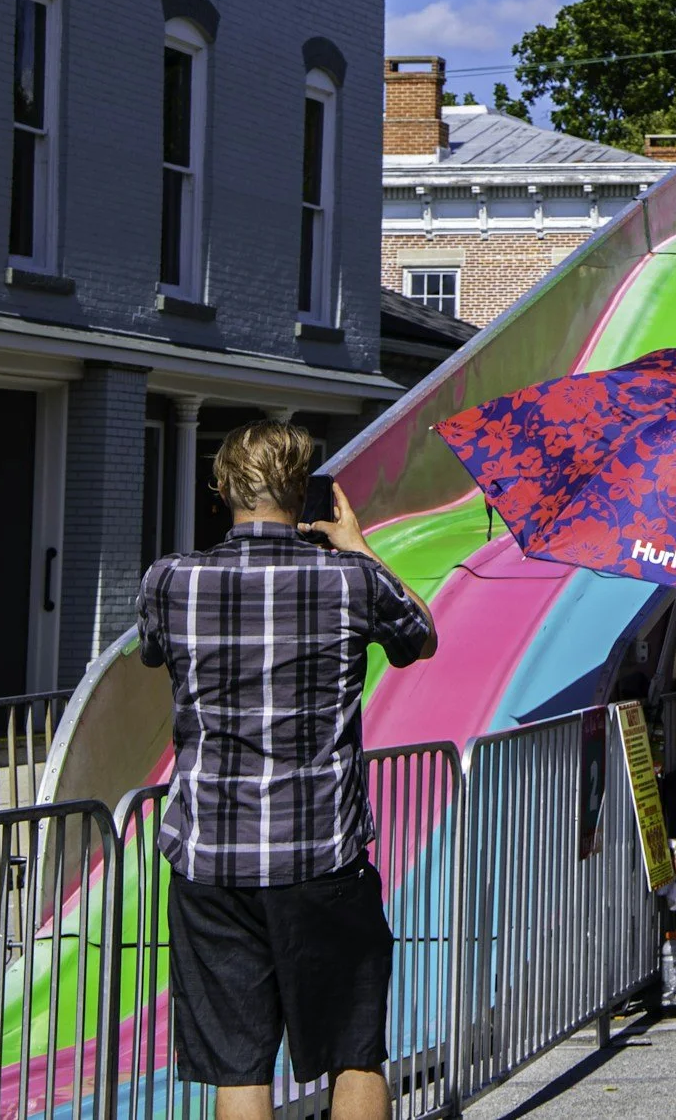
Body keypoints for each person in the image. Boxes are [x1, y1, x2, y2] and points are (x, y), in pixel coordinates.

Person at [136, 422, 437, 1120]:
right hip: (321, 858)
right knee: (354, 1051)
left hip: (212, 858)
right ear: (307, 494)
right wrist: (358, 545)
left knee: (239, 1064)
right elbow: (421, 635)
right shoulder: (352, 580)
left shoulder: (171, 580)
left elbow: (153, 654)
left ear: (221, 490)